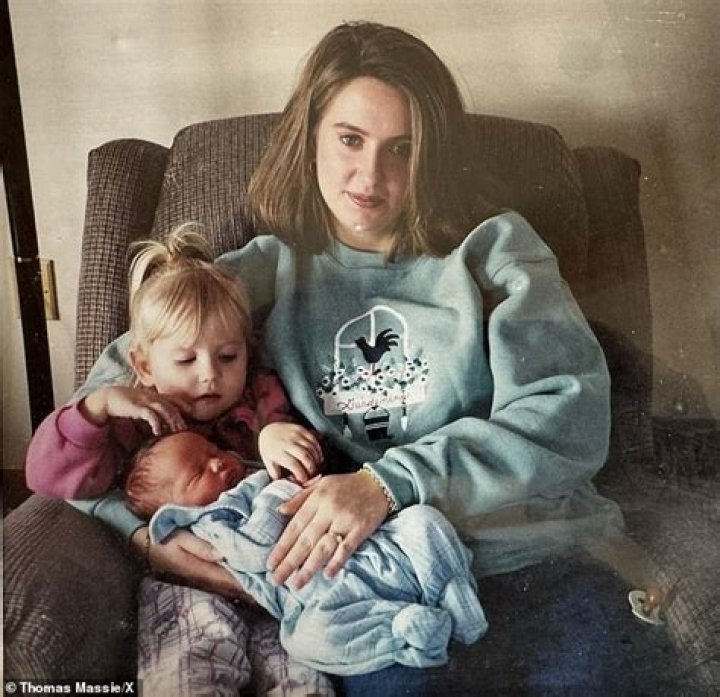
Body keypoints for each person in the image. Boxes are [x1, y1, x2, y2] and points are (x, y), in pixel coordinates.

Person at [59, 20, 682, 695]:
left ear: (433, 155)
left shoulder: (496, 253)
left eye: (402, 148)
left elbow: (568, 419)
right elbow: (95, 414)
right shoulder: (258, 275)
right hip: (375, 588)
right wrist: (146, 539)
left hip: (537, 557)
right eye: (350, 139)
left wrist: (385, 483)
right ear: (310, 138)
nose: (370, 177)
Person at [25, 224, 329, 696]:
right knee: (189, 671)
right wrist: (96, 408)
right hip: (183, 591)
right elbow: (47, 475)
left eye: (228, 356)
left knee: (303, 676)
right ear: (144, 366)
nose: (210, 376)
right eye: (186, 361)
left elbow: (304, 476)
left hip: (275, 593)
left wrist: (275, 435)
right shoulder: (135, 420)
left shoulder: (260, 400)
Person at [125, 430, 487, 675]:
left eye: (214, 451)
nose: (219, 462)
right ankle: (401, 627)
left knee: (422, 521)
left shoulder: (260, 475)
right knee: (306, 641)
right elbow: (257, 551)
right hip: (325, 597)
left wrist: (276, 481)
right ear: (174, 513)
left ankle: (452, 590)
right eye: (196, 473)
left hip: (375, 551)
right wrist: (277, 493)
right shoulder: (210, 524)